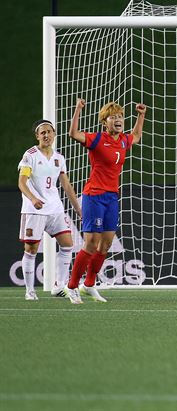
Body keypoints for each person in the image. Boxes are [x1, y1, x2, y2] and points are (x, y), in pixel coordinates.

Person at [64, 98, 147, 304]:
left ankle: (89, 285)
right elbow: (73, 134)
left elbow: (136, 135)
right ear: (104, 122)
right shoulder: (97, 139)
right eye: (113, 117)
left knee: (106, 243)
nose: (118, 120)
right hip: (94, 195)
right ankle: (71, 286)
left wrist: (141, 115)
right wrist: (78, 109)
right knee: (90, 243)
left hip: (112, 196)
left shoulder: (123, 140)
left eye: (120, 116)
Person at [17, 119, 82, 300]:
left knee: (68, 245)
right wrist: (33, 198)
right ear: (37, 136)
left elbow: (67, 186)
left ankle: (58, 286)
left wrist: (77, 208)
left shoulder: (59, 158)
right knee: (30, 250)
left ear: (54, 134)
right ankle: (30, 291)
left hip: (55, 209)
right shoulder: (30, 155)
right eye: (42, 132)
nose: (46, 135)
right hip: (34, 209)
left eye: (49, 132)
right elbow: (22, 183)